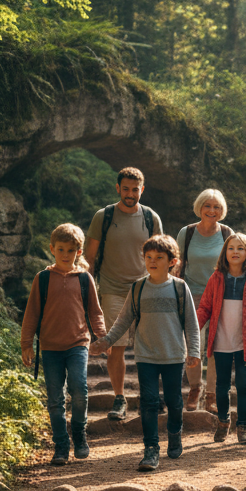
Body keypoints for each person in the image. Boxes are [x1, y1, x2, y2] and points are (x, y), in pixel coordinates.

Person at [90, 235, 200, 471]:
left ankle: (174, 434)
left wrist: (193, 351)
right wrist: (106, 341)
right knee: (148, 402)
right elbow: (123, 320)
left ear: (172, 261)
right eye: (148, 257)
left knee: (174, 401)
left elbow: (191, 323)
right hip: (145, 355)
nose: (152, 261)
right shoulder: (138, 288)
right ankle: (151, 449)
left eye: (159, 257)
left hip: (173, 355)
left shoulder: (180, 288)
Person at [20, 224, 109, 466]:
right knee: (55, 399)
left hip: (78, 344)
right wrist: (26, 343)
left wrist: (102, 337)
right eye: (61, 249)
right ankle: (61, 445)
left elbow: (95, 311)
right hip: (49, 347)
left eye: (71, 250)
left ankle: (79, 435)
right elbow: (32, 313)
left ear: (78, 252)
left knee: (79, 390)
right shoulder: (42, 279)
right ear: (52, 249)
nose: (65, 254)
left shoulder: (84, 279)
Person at [84, 167, 162, 423]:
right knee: (115, 345)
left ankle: (149, 397)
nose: (130, 194)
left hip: (145, 290)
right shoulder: (103, 216)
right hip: (112, 289)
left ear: (142, 189)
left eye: (135, 189)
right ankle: (120, 399)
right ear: (118, 188)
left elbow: (161, 255)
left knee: (149, 346)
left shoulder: (151, 217)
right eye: (125, 189)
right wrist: (87, 291)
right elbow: (89, 257)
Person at [194, 232, 246, 445]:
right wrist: (192, 329)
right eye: (231, 248)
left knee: (243, 384)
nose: (235, 252)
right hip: (221, 340)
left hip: (245, 342)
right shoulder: (216, 278)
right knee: (222, 385)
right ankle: (223, 422)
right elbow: (205, 307)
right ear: (224, 253)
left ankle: (243, 426)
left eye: (240, 248)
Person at [175, 189, 233, 413]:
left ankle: (211, 395)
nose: (212, 210)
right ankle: (194, 389)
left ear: (222, 210)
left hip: (220, 295)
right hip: (191, 295)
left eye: (217, 207)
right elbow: (177, 264)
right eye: (207, 205)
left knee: (216, 347)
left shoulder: (227, 233)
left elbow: (234, 264)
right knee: (193, 345)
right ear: (200, 207)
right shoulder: (187, 233)